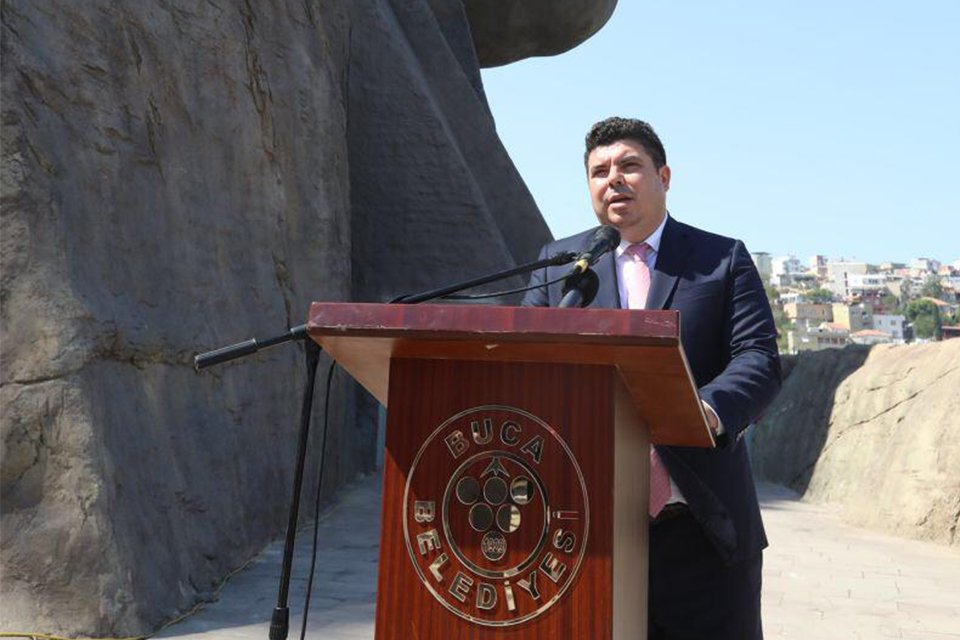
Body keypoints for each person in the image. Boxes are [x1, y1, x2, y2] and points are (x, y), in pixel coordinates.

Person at [522, 117, 781, 639]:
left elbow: (758, 357)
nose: (613, 179)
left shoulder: (720, 258)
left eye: (629, 165)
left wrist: (703, 410)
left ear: (664, 176)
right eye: (599, 171)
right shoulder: (560, 266)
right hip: (587, 530)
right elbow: (525, 364)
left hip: (702, 528)